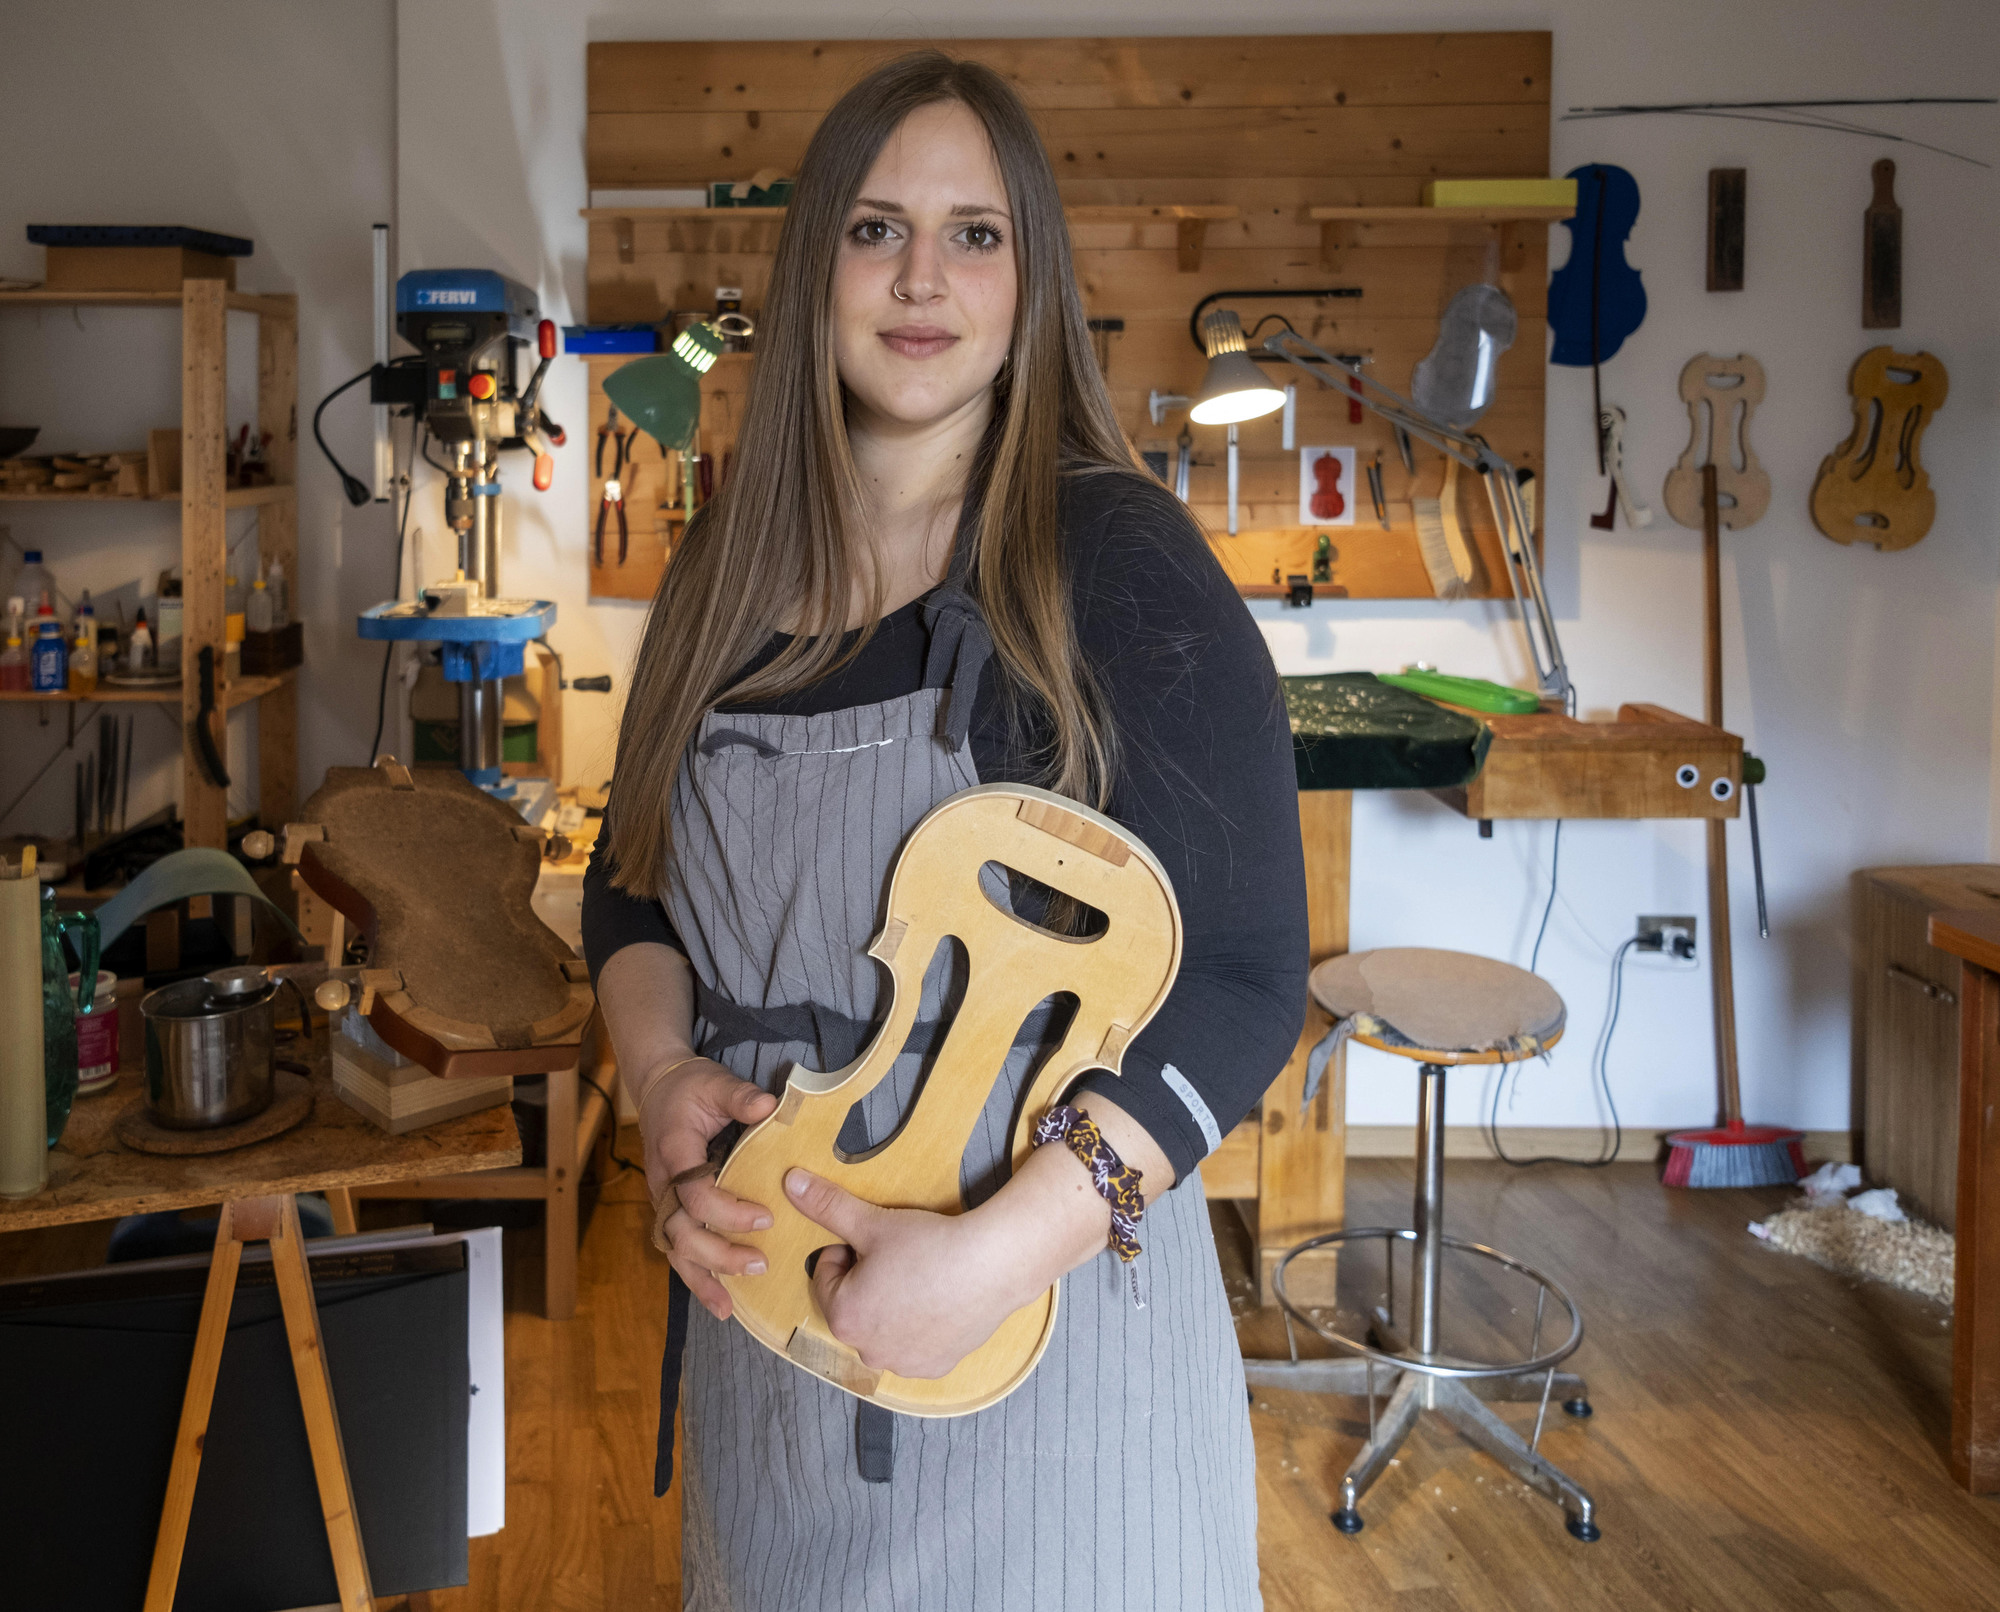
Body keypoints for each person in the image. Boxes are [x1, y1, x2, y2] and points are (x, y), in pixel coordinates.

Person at [583, 48, 1307, 1611]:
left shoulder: (1104, 555)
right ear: (816, 266)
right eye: (875, 229)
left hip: (1039, 1345)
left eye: (975, 234)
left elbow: (1247, 977)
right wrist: (662, 1080)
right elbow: (629, 886)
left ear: (1030, 277)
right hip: (771, 1332)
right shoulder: (725, 568)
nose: (922, 278)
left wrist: (995, 1256)